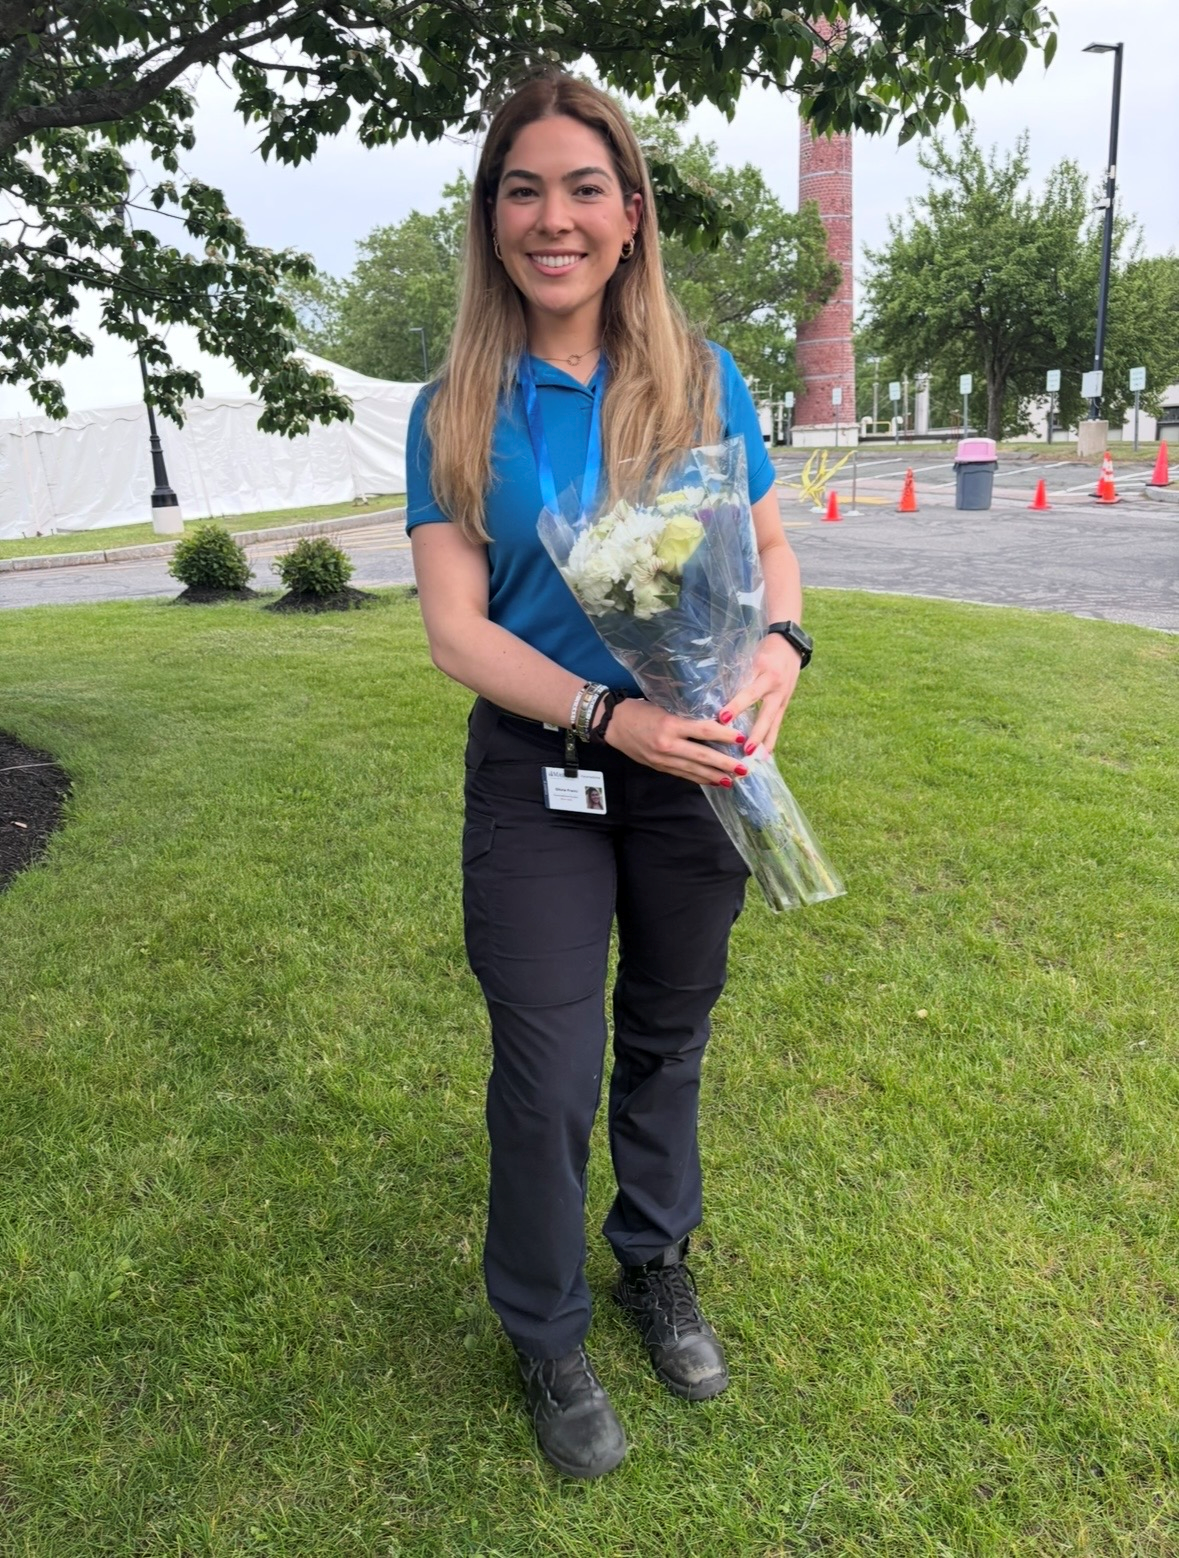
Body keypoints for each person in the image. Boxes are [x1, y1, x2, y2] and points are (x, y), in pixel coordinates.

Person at [407, 72, 809, 1480]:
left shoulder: (700, 377)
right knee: (547, 1064)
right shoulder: (455, 407)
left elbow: (771, 556)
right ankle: (546, 1327)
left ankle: (653, 1258)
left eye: (583, 188)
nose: (552, 217)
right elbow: (457, 629)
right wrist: (603, 712)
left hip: (697, 757)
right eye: (522, 189)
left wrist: (778, 656)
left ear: (630, 217)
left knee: (667, 1032)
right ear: (491, 218)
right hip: (542, 768)